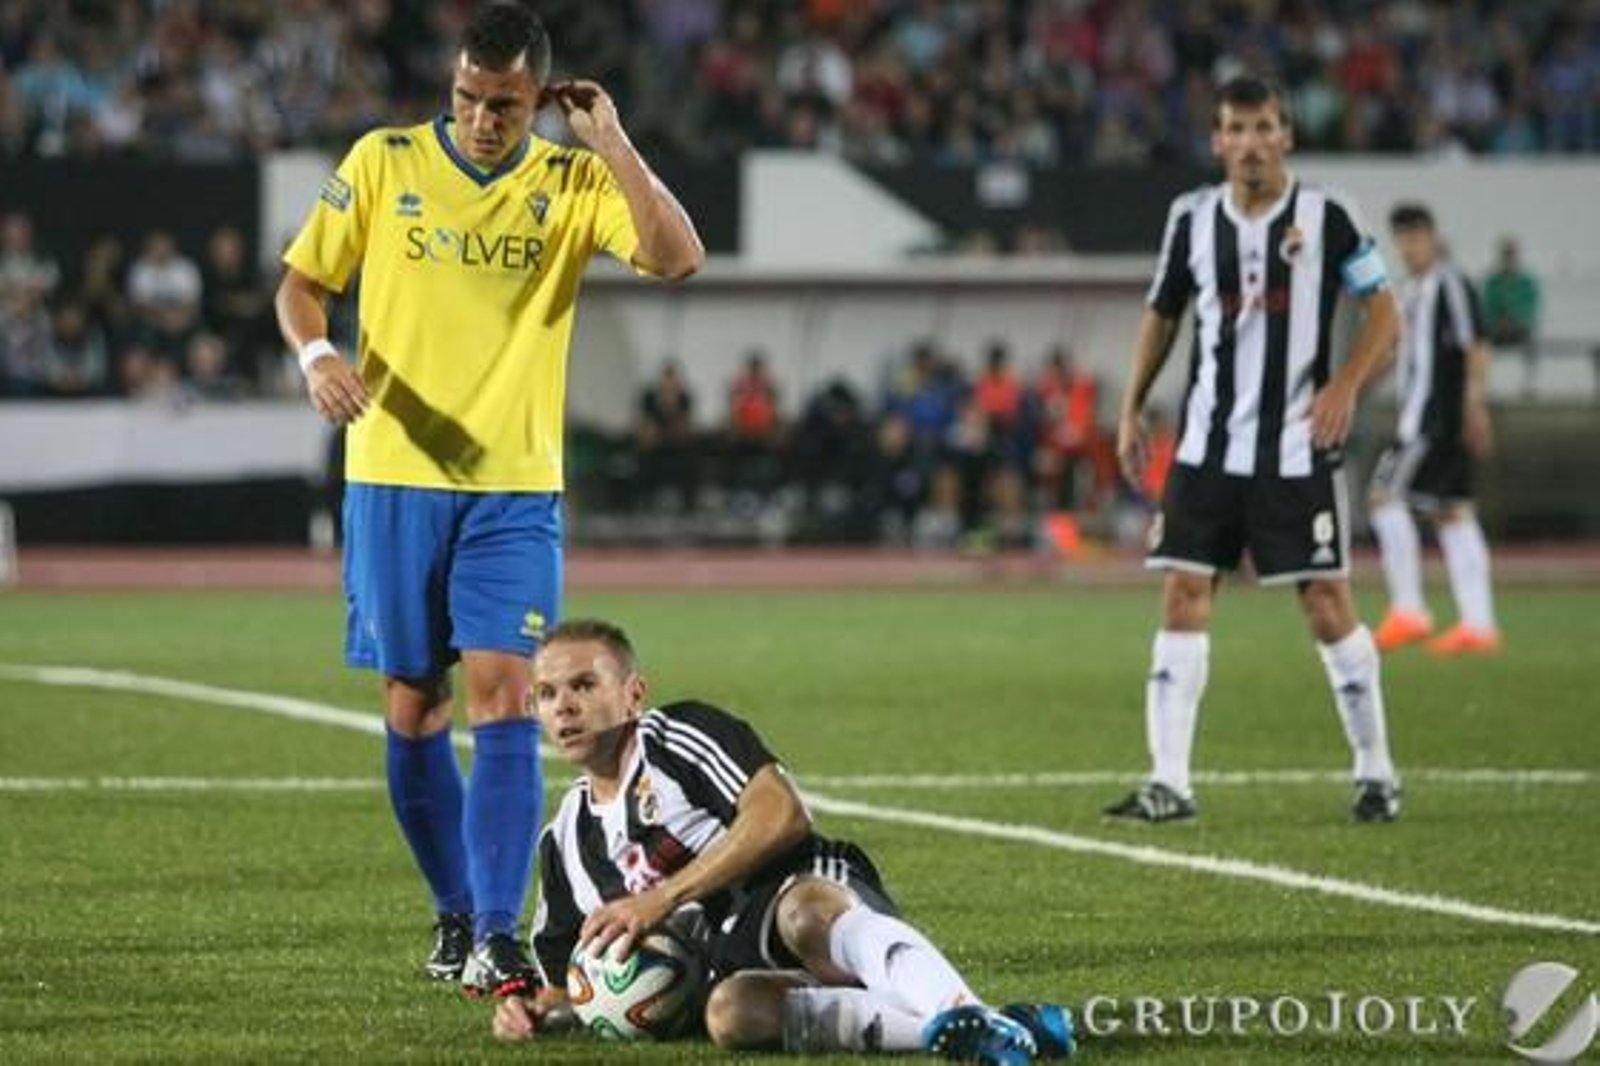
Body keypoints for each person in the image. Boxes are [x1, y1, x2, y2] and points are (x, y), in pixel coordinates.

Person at [273, 0, 704, 996]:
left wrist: (615, 143)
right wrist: (318, 352)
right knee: (414, 706)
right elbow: (301, 283)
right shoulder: (383, 162)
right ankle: (455, 909)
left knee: (508, 696)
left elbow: (677, 258)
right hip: (392, 476)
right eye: (468, 98)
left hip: (513, 486)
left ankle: (503, 933)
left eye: (504, 104)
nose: (481, 120)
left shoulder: (570, 180)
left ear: (538, 97)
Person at [490, 619, 1075, 1062]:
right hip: (730, 962)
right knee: (732, 1016)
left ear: (634, 694)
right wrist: (538, 1009)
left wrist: (661, 899)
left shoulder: (675, 738)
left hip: (799, 890)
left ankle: (963, 1011)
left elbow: (783, 814)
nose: (564, 706)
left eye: (584, 685)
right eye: (547, 694)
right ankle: (992, 1029)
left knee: (802, 913)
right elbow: (573, 979)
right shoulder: (565, 839)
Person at [1104, 74, 1403, 825]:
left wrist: (1346, 385)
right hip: (1206, 446)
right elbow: (1162, 315)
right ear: (1216, 141)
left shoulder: (1328, 216)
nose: (1249, 144)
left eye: (1263, 127)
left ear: (1286, 136)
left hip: (1295, 449)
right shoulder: (1192, 219)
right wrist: (1132, 405)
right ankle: (1168, 783)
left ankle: (1377, 772)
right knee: (1182, 592)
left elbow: (1385, 311)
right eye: (1235, 130)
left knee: (1328, 603)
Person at [1368, 204, 1500, 655]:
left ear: (1431, 236)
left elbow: (1475, 345)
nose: (1407, 247)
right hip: (1424, 418)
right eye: (1401, 239)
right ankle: (1479, 625)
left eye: (1414, 237)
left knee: (1383, 497)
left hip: (1436, 420)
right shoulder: (1409, 291)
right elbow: (1394, 353)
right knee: (1453, 513)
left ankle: (1409, 609)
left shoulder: (1451, 283)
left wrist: (1476, 407)